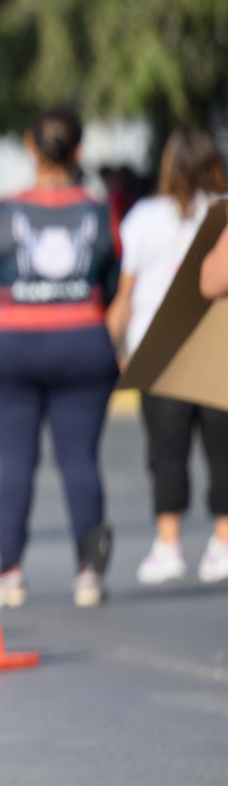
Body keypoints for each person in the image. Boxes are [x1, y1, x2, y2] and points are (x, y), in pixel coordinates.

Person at [0, 111, 121, 607]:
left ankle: (9, 573)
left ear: (31, 148)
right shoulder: (100, 211)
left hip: (7, 344)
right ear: (78, 151)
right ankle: (89, 575)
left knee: (15, 460)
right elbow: (110, 281)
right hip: (83, 342)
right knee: (80, 459)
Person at [107, 128, 228, 586]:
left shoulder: (144, 218)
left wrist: (114, 346)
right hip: (220, 349)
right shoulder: (226, 211)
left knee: (165, 453)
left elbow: (126, 294)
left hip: (160, 348)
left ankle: (168, 545)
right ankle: (223, 542)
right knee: (223, 450)